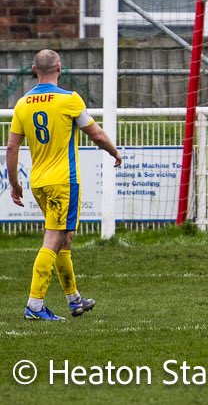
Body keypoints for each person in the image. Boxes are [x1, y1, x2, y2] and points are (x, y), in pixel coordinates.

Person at [6, 49, 122, 321]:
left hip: (39, 182)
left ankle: (74, 299)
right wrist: (114, 152)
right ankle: (34, 305)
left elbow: (12, 146)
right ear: (59, 67)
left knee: (64, 239)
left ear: (35, 69)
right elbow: (96, 134)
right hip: (63, 182)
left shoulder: (23, 104)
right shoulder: (69, 99)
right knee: (53, 239)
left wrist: (14, 182)